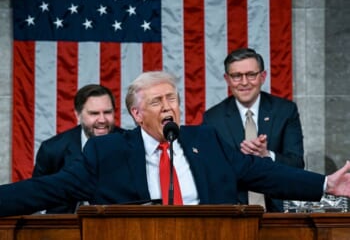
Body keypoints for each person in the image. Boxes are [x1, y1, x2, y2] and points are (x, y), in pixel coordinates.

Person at [0, 71, 350, 217]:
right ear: (137, 114)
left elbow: (260, 173)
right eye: (157, 102)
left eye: (172, 99)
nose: (168, 107)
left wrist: (324, 183)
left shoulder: (206, 141)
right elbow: (48, 188)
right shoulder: (108, 152)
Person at [202, 48, 304, 212]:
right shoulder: (213, 118)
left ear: (263, 77)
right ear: (227, 79)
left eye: (251, 75)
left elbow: (297, 164)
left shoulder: (285, 111)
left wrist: (267, 155)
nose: (244, 82)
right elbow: (209, 172)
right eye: (236, 76)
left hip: (279, 212)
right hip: (232, 212)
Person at [32, 84, 125, 213]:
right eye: (94, 113)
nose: (102, 119)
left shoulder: (129, 144)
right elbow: (37, 196)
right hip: (64, 226)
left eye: (108, 112)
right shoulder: (52, 149)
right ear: (78, 115)